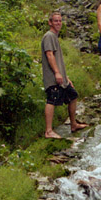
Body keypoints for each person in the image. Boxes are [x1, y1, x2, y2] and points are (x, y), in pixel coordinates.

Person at [41, 10, 88, 139]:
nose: (58, 23)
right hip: (52, 77)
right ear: (50, 22)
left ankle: (73, 124)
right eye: (55, 20)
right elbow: (49, 55)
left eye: (60, 21)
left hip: (61, 77)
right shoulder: (49, 36)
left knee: (73, 95)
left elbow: (56, 58)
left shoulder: (54, 37)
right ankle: (48, 131)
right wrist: (56, 73)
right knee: (51, 99)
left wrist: (65, 76)